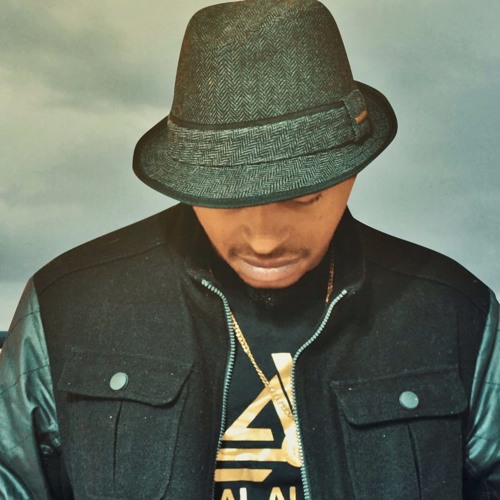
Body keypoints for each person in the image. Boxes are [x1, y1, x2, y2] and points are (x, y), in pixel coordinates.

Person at [1, 0, 498, 498]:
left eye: (302, 196)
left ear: (352, 172)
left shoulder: (457, 314)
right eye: (229, 198)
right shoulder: (66, 308)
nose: (264, 240)